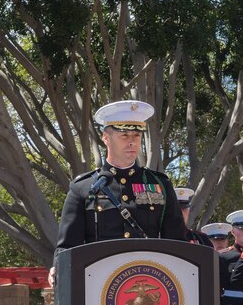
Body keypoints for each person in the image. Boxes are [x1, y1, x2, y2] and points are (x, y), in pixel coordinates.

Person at [50, 100, 184, 286]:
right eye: (124, 135)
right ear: (106, 138)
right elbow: (67, 246)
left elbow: (176, 241)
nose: (132, 142)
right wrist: (59, 267)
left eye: (136, 136)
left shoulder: (159, 184)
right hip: (98, 285)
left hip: (150, 282)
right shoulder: (83, 187)